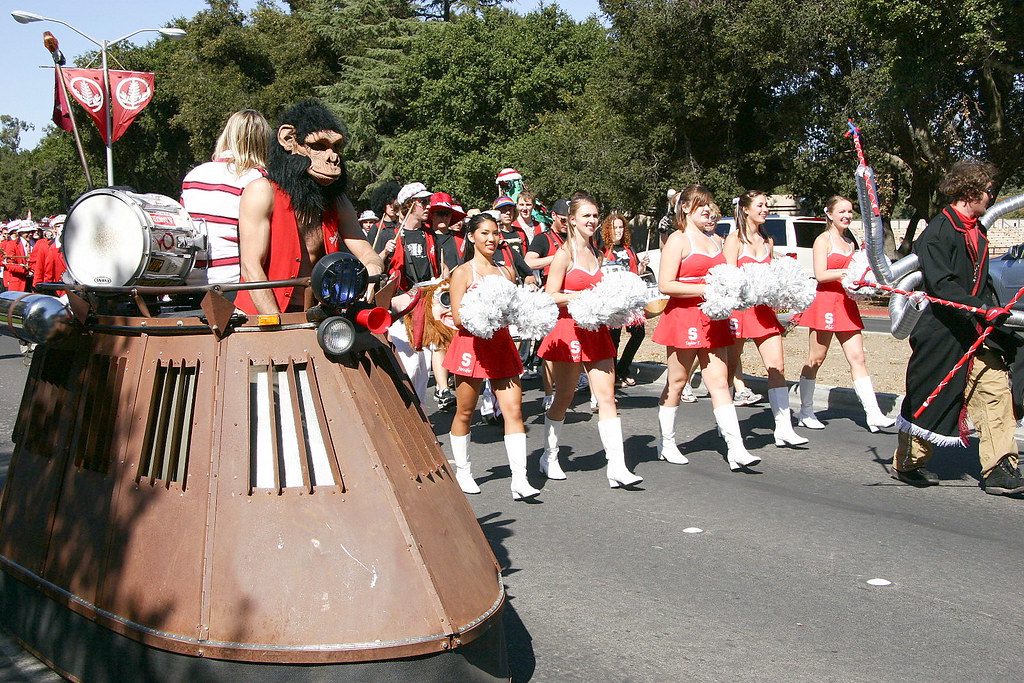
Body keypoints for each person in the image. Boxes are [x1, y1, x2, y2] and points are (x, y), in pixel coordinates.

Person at [893, 161, 1024, 495]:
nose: (992, 197)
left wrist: (988, 310)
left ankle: (1000, 469)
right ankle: (909, 462)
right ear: (970, 191)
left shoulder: (977, 230)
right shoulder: (938, 232)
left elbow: (979, 283)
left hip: (977, 330)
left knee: (995, 391)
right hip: (943, 330)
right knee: (930, 399)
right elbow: (942, 285)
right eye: (988, 191)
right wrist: (981, 308)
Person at [236, 99, 383, 316]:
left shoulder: (337, 202)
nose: (332, 157)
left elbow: (369, 255)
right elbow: (251, 267)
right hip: (260, 315)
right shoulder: (262, 192)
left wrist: (371, 271)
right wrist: (276, 322)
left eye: (336, 147)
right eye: (319, 146)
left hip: (318, 313)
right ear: (288, 140)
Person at [536, 196, 643, 488]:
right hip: (569, 329)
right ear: (571, 220)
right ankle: (550, 455)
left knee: (607, 397)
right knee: (565, 397)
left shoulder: (597, 254)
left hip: (595, 332)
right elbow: (550, 295)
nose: (592, 221)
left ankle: (617, 467)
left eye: (595, 215)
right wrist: (579, 297)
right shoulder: (564, 254)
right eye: (586, 216)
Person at [652, 184, 760, 471]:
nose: (709, 210)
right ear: (685, 208)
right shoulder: (678, 239)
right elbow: (666, 284)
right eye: (702, 205)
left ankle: (736, 448)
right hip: (684, 318)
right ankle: (667, 442)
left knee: (719, 382)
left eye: (711, 204)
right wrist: (707, 288)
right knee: (676, 382)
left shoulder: (716, 241)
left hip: (714, 320)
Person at [443, 213, 541, 500]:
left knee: (514, 411)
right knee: (465, 411)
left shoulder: (506, 271)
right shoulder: (462, 272)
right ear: (472, 236)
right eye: (485, 233)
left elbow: (514, 309)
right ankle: (463, 470)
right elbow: (459, 318)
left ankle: (520, 479)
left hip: (500, 344)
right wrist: (484, 311)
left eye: (495, 233)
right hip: (471, 345)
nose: (491, 239)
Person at [796, 195, 895, 432]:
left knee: (858, 358)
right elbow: (820, 274)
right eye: (842, 211)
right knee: (816, 359)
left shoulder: (851, 242)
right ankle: (805, 410)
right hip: (826, 302)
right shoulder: (823, 240)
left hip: (846, 304)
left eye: (850, 211)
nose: (847, 216)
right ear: (829, 214)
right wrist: (847, 274)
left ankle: (873, 414)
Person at [724, 191, 807, 447]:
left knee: (777, 366)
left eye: (767, 205)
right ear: (746, 209)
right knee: (728, 369)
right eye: (760, 205)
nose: (765, 209)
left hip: (763, 313)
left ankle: (783, 428)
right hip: (739, 311)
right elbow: (725, 278)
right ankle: (725, 424)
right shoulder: (734, 240)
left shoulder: (768, 240)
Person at [182, 109, 271, 286]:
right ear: (263, 143)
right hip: (234, 282)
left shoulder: (194, 175)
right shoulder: (257, 179)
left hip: (190, 279)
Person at [526, 198, 569, 410]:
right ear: (553, 216)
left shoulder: (576, 238)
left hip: (572, 297)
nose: (567, 224)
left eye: (570, 220)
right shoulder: (543, 239)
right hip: (552, 298)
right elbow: (529, 261)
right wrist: (556, 259)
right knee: (551, 348)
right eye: (563, 219)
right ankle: (549, 393)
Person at [427, 191, 466, 410]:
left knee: (457, 341)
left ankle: (452, 380)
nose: (443, 218)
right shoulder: (426, 238)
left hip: (457, 296)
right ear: (431, 216)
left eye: (447, 214)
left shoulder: (460, 241)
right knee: (438, 342)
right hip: (433, 298)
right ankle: (442, 389)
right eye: (439, 214)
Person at [601, 212, 649, 387]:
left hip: (631, 301)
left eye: (621, 227)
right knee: (613, 338)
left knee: (639, 333)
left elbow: (636, 273)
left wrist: (642, 264)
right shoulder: (603, 250)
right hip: (613, 301)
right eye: (615, 228)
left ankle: (623, 367)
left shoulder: (629, 249)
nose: (618, 231)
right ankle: (612, 375)